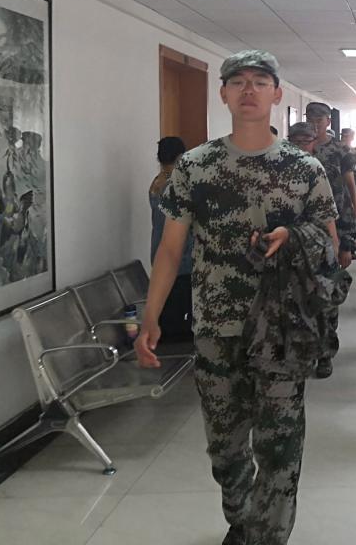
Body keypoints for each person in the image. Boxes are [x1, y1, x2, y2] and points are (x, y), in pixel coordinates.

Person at [136, 50, 339, 545]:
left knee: (280, 446)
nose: (249, 90)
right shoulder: (195, 167)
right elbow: (170, 250)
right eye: (239, 81)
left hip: (282, 328)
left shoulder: (304, 168)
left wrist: (293, 236)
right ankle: (241, 517)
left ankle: (269, 535)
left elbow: (330, 243)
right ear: (224, 94)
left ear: (277, 94)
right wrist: (151, 317)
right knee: (225, 449)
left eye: (260, 81)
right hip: (217, 329)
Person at [306, 101, 356, 378]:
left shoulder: (340, 151)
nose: (315, 123)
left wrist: (348, 240)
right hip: (299, 238)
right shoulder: (294, 151)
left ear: (328, 121)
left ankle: (325, 353)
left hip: (332, 234)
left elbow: (350, 190)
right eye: (310, 117)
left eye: (320, 118)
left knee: (327, 294)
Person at [149, 136, 194, 342]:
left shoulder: (157, 182)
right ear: (180, 156)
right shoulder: (176, 186)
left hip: (161, 257)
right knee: (179, 324)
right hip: (181, 261)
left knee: (168, 315)